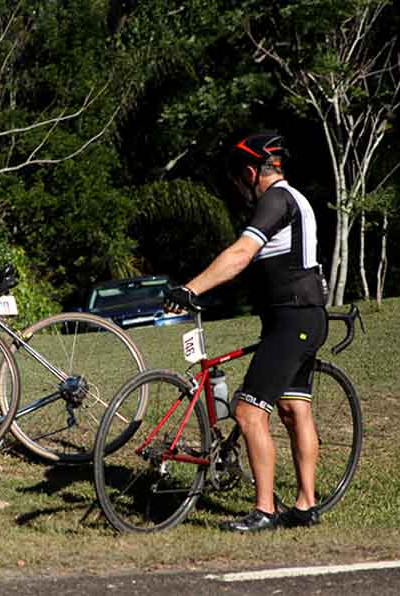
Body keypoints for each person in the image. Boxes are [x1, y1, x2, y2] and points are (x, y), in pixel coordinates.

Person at [164, 132, 329, 532]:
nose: (240, 186)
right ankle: (306, 505)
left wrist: (190, 289)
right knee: (293, 408)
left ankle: (264, 510)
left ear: (252, 171)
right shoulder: (295, 200)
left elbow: (240, 254)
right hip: (301, 316)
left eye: (241, 177)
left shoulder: (276, 199)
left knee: (248, 411)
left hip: (292, 319)